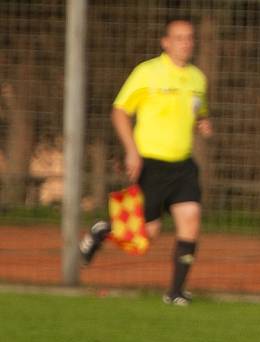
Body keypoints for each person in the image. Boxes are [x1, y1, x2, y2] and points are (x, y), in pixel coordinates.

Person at [79, 16, 212, 306]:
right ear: (165, 42)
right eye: (179, 37)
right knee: (147, 235)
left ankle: (175, 293)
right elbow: (119, 111)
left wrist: (202, 123)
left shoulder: (198, 78)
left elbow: (197, 111)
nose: (186, 43)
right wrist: (131, 151)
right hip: (151, 164)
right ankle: (103, 231)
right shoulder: (147, 72)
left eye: (189, 37)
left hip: (183, 165)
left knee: (190, 220)